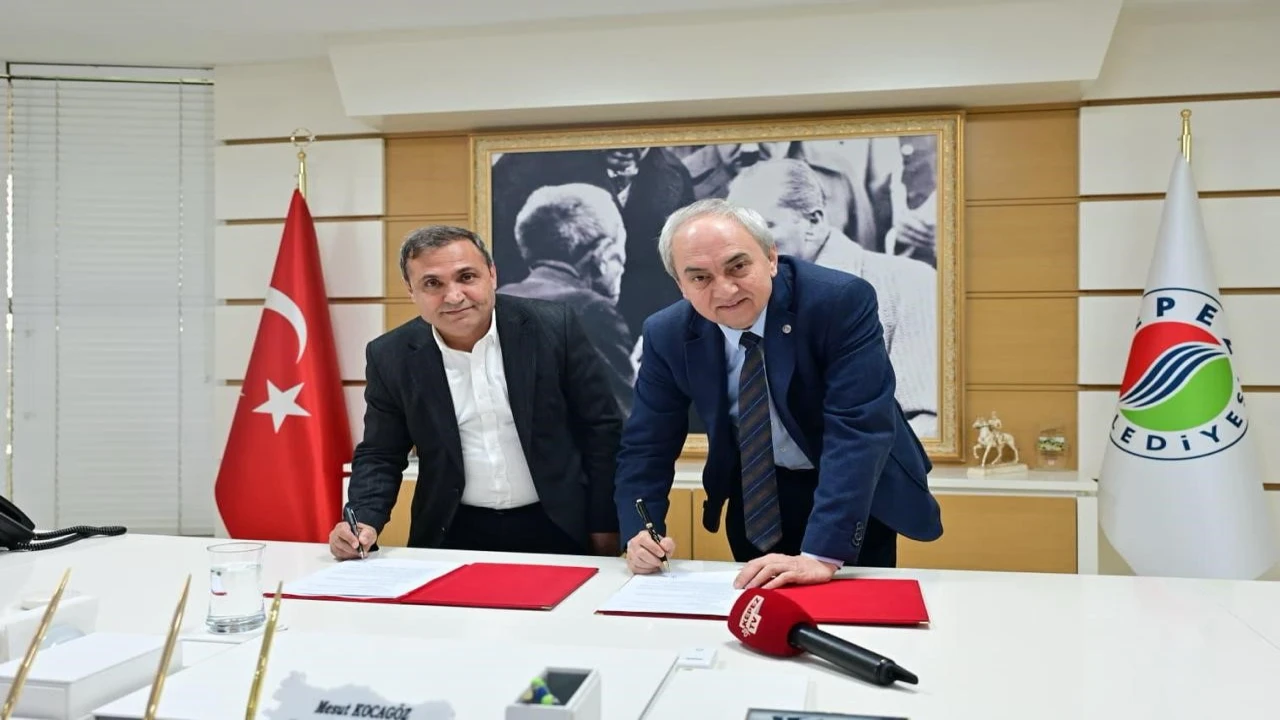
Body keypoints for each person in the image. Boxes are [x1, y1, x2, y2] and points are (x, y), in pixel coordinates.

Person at [614, 199, 942, 590]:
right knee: (758, 607)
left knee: (849, 612)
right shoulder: (667, 333)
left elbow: (857, 428)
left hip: (850, 486)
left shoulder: (839, 301)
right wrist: (640, 531)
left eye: (738, 266)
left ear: (771, 258)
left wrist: (822, 555)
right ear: (681, 286)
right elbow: (647, 444)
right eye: (700, 278)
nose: (725, 289)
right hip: (757, 490)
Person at [330, 225, 623, 560]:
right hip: (452, 530)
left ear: (492, 275)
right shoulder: (391, 356)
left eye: (466, 277)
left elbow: (601, 433)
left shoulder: (554, 328)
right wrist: (362, 520)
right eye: (432, 284)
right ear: (411, 291)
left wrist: (605, 525)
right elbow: (381, 453)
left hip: (557, 525)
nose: (454, 296)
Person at [725, 158, 939, 438]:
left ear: (813, 222)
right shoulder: (735, 305)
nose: (743, 248)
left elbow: (927, 424)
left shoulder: (908, 282)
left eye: (761, 229)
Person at [497, 183, 636, 415]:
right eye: (620, 256)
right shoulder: (591, 310)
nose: (621, 268)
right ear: (603, 255)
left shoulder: (500, 299)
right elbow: (617, 422)